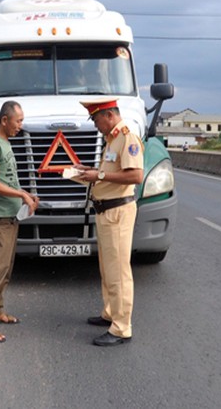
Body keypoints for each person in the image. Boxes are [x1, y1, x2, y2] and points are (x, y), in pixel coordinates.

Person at [75, 97, 143, 346]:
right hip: (105, 212)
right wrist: (88, 173)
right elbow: (110, 175)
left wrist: (99, 174)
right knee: (107, 269)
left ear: (109, 115)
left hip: (117, 213)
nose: (95, 124)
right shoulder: (112, 140)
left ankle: (121, 328)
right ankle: (110, 313)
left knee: (119, 272)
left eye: (96, 119)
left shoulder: (127, 138)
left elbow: (136, 175)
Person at [0, 100, 39, 343]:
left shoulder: (5, 144)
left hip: (11, 216)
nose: (20, 126)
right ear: (4, 120)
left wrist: (26, 195)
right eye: (18, 121)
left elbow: (8, 180)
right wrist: (21, 194)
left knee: (6, 269)